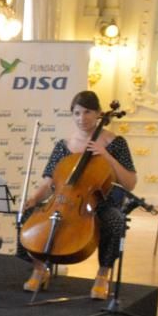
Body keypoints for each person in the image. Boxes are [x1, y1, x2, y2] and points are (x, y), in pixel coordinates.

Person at [20, 89, 135, 298]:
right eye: (77, 113)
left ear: (99, 113)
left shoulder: (116, 143)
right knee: (26, 217)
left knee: (114, 221)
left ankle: (102, 275)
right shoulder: (63, 146)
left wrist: (106, 156)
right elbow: (49, 181)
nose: (82, 118)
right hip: (62, 201)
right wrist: (34, 199)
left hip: (100, 204)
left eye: (88, 112)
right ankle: (39, 269)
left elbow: (130, 182)